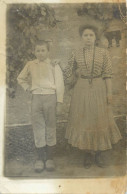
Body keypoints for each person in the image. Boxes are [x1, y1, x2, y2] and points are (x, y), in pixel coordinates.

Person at [64, 25, 122, 169]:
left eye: (91, 35)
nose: (88, 38)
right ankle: (88, 154)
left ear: (95, 37)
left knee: (99, 119)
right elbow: (68, 73)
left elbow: (108, 74)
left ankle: (98, 154)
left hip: (99, 88)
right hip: (81, 89)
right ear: (81, 37)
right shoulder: (75, 53)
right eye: (85, 35)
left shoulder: (103, 53)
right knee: (85, 120)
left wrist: (109, 94)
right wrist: (69, 73)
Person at [17, 40, 64, 172]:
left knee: (50, 127)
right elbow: (20, 78)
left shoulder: (54, 65)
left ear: (48, 51)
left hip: (51, 98)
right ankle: (39, 159)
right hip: (36, 98)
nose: (41, 53)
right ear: (34, 52)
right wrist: (28, 88)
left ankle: (49, 159)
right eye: (38, 50)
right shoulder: (30, 64)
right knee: (38, 127)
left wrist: (59, 102)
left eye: (43, 50)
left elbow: (60, 84)